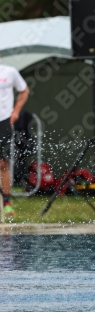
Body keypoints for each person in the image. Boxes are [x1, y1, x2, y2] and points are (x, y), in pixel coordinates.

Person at [0, 64, 29, 216]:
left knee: (3, 163)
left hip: (4, 120)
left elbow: (24, 90)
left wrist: (16, 112)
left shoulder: (9, 72)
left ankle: (7, 202)